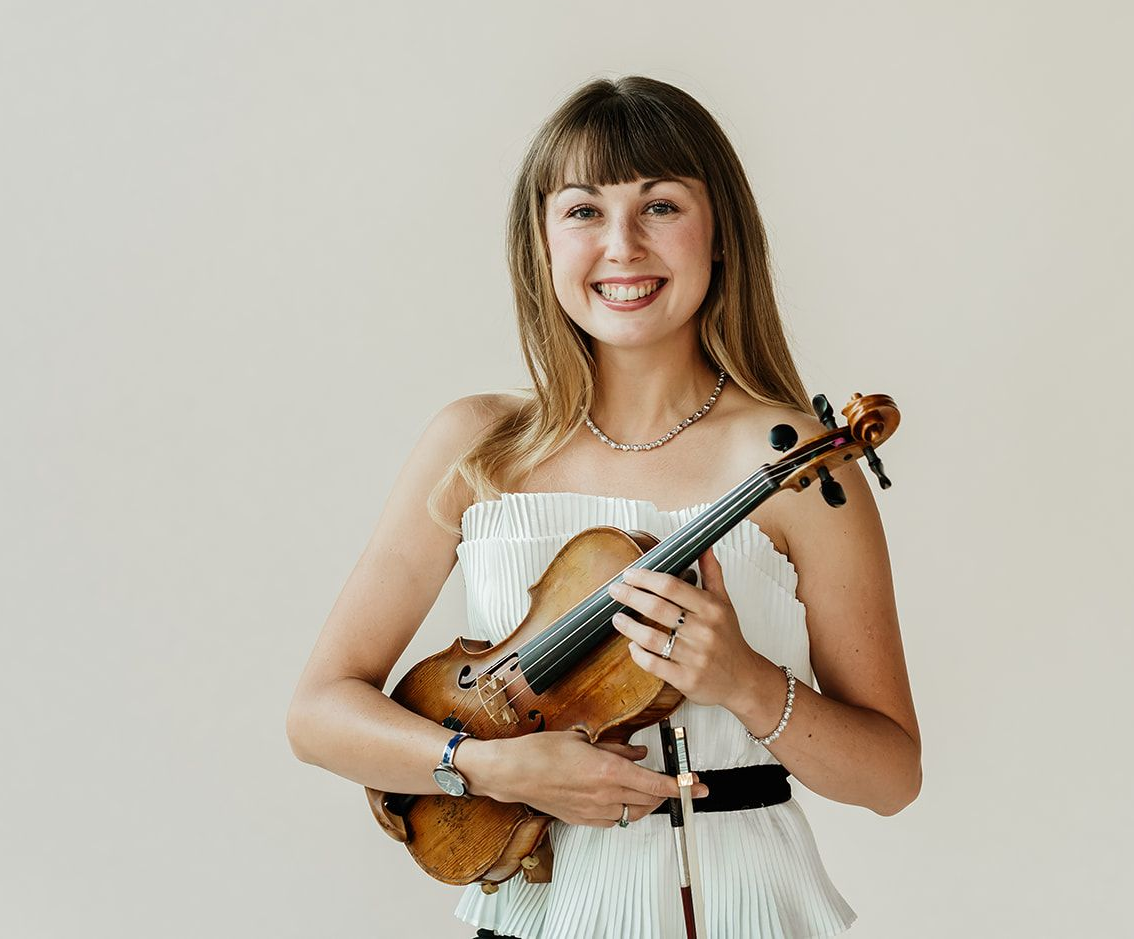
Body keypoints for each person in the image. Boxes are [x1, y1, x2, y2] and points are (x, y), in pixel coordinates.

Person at [286, 75, 921, 939]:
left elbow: (890, 777)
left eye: (660, 205)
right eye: (584, 211)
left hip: (740, 909)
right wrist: (488, 766)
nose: (622, 245)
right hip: (534, 916)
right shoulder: (477, 447)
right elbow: (319, 712)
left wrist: (744, 680)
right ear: (541, 243)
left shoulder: (798, 462)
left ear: (720, 232)